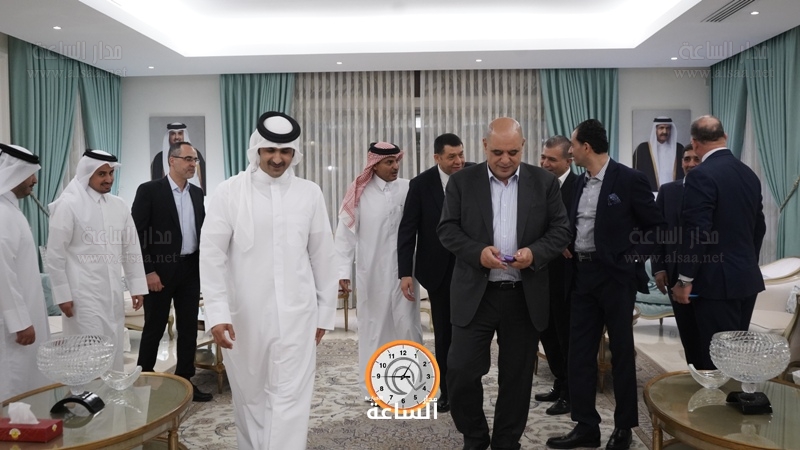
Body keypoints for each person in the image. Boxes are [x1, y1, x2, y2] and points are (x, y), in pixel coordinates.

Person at [200, 111, 337, 450]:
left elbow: (323, 255)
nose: (278, 159)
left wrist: (325, 313)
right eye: (270, 151)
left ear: (294, 153)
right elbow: (212, 256)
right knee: (250, 397)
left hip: (298, 315)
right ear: (257, 150)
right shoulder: (229, 193)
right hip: (245, 317)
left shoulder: (309, 193)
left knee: (292, 396)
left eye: (285, 151)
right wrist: (217, 313)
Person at [438, 117, 571, 450]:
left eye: (513, 152)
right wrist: (478, 253)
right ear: (485, 146)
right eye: (497, 152)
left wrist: (535, 253)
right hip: (476, 294)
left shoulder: (544, 182)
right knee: (460, 371)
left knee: (516, 378)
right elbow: (447, 229)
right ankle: (475, 436)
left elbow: (561, 231)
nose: (505, 159)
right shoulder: (462, 182)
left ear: (523, 146)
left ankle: (506, 442)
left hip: (523, 296)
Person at [547, 119, 663, 450]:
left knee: (622, 353)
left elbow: (656, 228)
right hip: (581, 277)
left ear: (586, 147)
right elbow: (576, 224)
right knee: (579, 354)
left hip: (615, 279)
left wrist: (632, 260)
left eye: (573, 145)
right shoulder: (579, 184)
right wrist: (566, 241)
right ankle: (586, 426)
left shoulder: (629, 179)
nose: (570, 151)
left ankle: (624, 427)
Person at [672, 115, 766, 370]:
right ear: (724, 137)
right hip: (745, 279)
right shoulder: (749, 174)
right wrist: (745, 262)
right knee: (735, 357)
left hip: (714, 284)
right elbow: (759, 227)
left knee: (713, 360)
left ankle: (712, 396)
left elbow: (698, 231)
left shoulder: (700, 175)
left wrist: (684, 280)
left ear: (695, 143)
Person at [335, 141, 422, 401]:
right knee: (374, 330)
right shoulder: (359, 193)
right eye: (389, 162)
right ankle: (374, 390)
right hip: (372, 273)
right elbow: (345, 236)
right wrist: (342, 273)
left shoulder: (408, 188)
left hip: (406, 274)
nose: (395, 166)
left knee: (408, 327)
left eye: (397, 161)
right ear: (373, 165)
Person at [46, 150, 148, 371]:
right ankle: (86, 393)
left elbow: (130, 248)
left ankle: (112, 392)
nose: (109, 179)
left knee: (113, 347)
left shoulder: (119, 205)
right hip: (82, 297)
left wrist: (137, 287)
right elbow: (55, 255)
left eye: (111, 173)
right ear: (87, 174)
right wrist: (62, 295)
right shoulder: (68, 205)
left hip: (112, 294)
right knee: (87, 353)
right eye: (102, 174)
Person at [132, 141, 210, 402]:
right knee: (154, 328)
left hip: (190, 269)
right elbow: (137, 235)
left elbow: (202, 231)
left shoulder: (197, 193)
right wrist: (148, 271)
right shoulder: (149, 191)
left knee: (188, 329)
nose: (192, 164)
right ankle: (143, 379)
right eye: (188, 159)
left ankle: (186, 381)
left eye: (195, 160)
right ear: (172, 160)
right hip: (159, 272)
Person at [397, 133, 467, 413]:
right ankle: (447, 392)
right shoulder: (421, 184)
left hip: (473, 269)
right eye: (452, 156)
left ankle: (468, 387)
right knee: (445, 334)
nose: (459, 161)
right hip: (438, 272)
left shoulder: (476, 175)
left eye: (461, 154)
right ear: (437, 157)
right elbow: (408, 229)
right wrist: (405, 272)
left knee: (472, 334)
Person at [0, 144, 50, 403]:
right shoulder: (2, 214)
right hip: (13, 326)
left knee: (27, 379)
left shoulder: (11, 210)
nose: (35, 181)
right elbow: (3, 273)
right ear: (15, 173)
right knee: (13, 380)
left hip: (25, 315)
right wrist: (20, 322)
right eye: (31, 174)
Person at [534, 135, 576, 416]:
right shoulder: (537, 185)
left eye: (552, 159)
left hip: (568, 275)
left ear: (568, 161)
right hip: (541, 273)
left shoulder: (578, 187)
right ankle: (559, 383)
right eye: (543, 157)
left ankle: (571, 393)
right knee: (547, 332)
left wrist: (561, 241)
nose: (545, 163)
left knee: (567, 336)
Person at [651, 144, 702, 366]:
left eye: (696, 159)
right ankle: (694, 374)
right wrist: (659, 268)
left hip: (708, 274)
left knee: (708, 335)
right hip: (674, 275)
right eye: (686, 159)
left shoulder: (714, 189)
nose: (690, 164)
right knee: (688, 334)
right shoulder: (668, 191)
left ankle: (710, 377)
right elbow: (657, 232)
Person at [633, 117, 685, 191]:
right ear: (655, 129)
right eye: (661, 128)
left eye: (668, 128)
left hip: (674, 192)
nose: (665, 131)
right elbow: (635, 173)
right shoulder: (642, 149)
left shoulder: (679, 148)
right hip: (650, 192)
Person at [151, 123, 206, 192]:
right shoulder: (159, 158)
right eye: (173, 134)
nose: (177, 137)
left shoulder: (196, 154)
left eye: (180, 133)